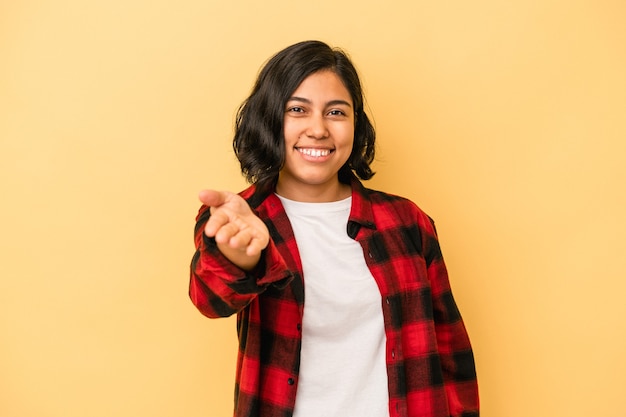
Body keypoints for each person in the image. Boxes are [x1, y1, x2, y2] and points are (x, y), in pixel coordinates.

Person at [189, 40, 479, 417]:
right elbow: (210, 300)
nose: (318, 129)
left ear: (355, 123)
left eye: (336, 112)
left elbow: (451, 351)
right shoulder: (242, 217)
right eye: (297, 110)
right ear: (270, 119)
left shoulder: (407, 222)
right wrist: (239, 259)